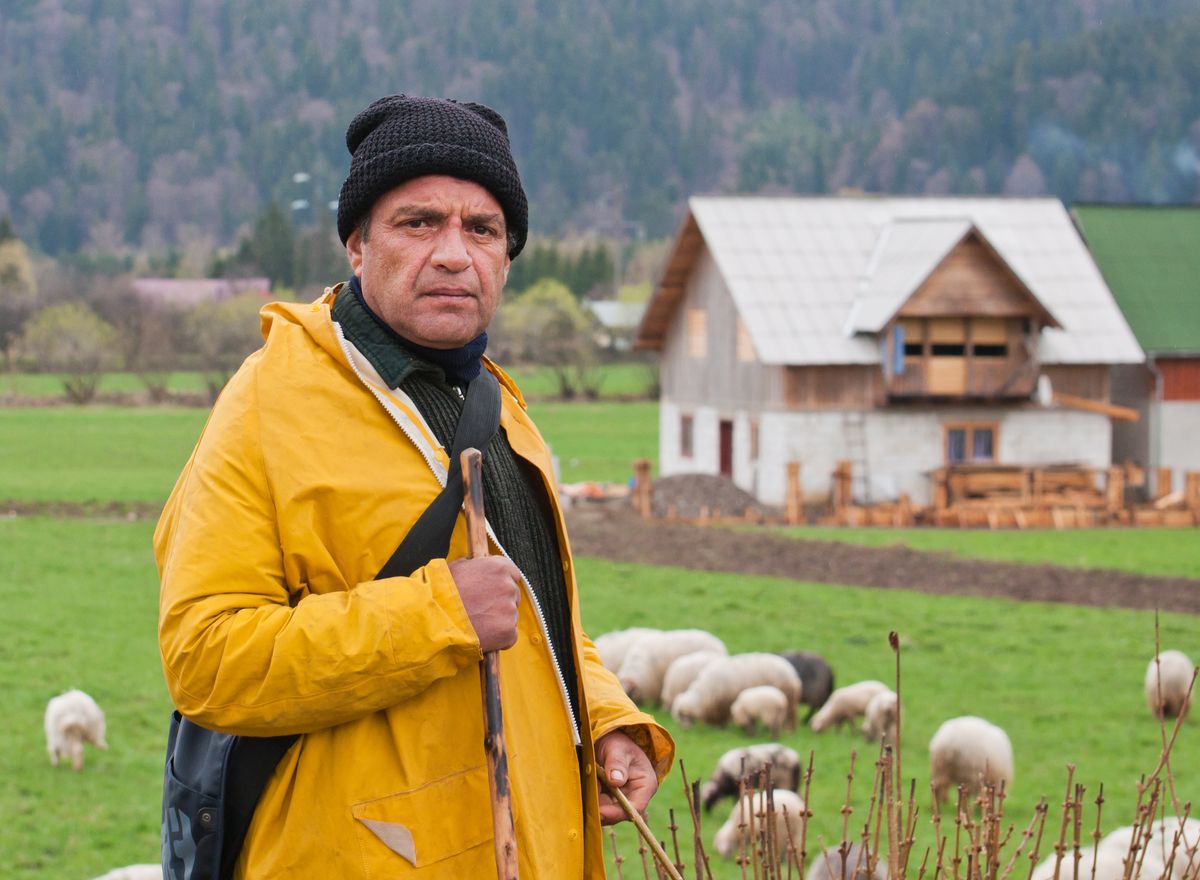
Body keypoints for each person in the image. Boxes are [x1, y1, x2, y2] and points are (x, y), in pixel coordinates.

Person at [155, 94, 674, 878]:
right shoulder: (271, 404)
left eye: (483, 229)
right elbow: (208, 659)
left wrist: (604, 720)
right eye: (419, 222)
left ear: (507, 258)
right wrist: (438, 614)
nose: (454, 254)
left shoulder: (497, 408)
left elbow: (523, 611)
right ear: (358, 244)